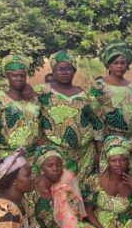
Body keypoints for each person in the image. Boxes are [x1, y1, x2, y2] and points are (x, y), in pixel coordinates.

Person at [24, 147, 116, 228]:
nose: (55, 169)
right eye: (50, 165)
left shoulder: (65, 183)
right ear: (41, 167)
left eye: (58, 164)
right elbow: (32, 224)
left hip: (65, 227)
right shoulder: (31, 190)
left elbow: (72, 214)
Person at [34, 50, 104, 183]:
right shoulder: (41, 92)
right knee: (58, 192)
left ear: (74, 71)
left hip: (85, 156)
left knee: (81, 193)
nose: (65, 73)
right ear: (53, 71)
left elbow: (98, 123)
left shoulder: (86, 95)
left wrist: (99, 151)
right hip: (55, 155)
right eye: (60, 69)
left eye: (69, 69)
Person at [0, 54, 41, 171]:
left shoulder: (34, 100)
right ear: (7, 76)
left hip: (32, 157)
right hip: (7, 158)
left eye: (22, 75)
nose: (19, 79)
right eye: (14, 75)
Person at [90, 41, 132, 139]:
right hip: (108, 138)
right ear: (109, 65)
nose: (119, 66)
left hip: (131, 138)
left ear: (127, 65)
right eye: (115, 63)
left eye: (123, 63)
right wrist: (99, 144)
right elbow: (95, 116)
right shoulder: (99, 86)